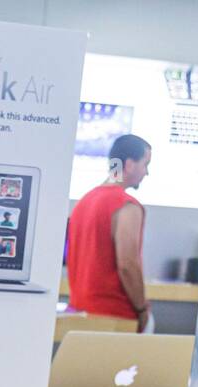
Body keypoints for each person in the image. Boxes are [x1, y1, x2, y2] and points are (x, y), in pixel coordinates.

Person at [67, 134, 153, 331]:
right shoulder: (127, 206)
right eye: (145, 164)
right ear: (130, 164)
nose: (146, 173)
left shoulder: (84, 201)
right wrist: (142, 309)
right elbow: (128, 265)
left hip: (80, 313)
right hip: (114, 316)